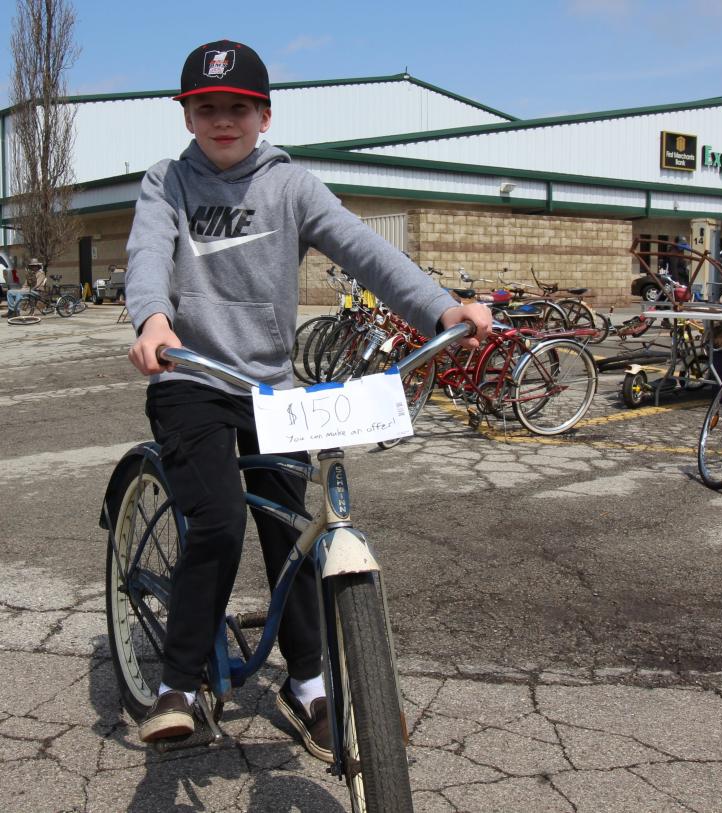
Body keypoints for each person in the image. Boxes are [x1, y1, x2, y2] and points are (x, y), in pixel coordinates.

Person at [124, 39, 492, 753]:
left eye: (237, 108)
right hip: (192, 376)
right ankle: (177, 683)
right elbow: (145, 253)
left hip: (269, 385)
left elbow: (365, 250)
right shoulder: (166, 181)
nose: (221, 120)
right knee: (221, 519)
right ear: (188, 116)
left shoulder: (292, 186)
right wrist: (154, 319)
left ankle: (310, 682)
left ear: (264, 114)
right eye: (206, 108)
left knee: (296, 529)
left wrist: (443, 310)